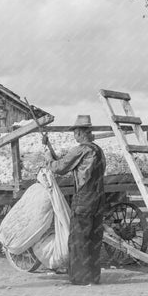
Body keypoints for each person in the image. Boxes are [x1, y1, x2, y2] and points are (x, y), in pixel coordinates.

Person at [46, 115, 106, 285]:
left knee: (78, 239)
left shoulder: (80, 150)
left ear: (80, 133)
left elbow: (60, 168)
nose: (75, 136)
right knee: (94, 239)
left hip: (84, 199)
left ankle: (80, 279)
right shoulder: (98, 151)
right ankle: (94, 277)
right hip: (99, 198)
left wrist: (48, 159)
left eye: (75, 132)